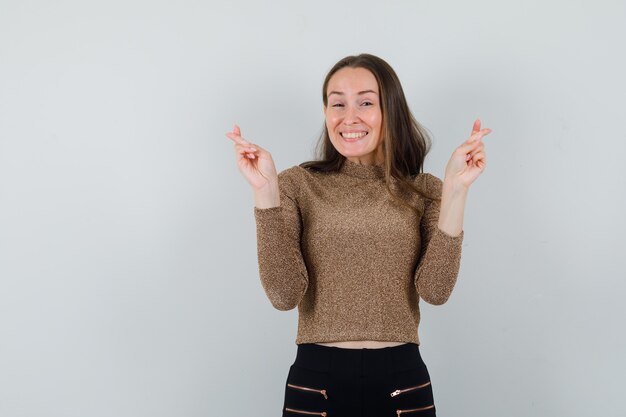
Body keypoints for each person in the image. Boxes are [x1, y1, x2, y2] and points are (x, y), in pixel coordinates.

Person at [226, 53, 491, 416]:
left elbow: (436, 290)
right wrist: (265, 194)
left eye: (365, 102)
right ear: (325, 112)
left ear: (391, 110)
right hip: (317, 380)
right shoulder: (296, 185)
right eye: (337, 103)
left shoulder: (423, 189)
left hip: (402, 378)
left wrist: (457, 190)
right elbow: (283, 295)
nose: (349, 117)